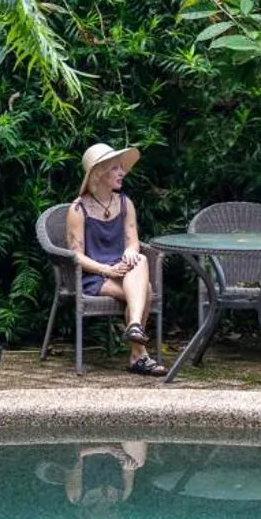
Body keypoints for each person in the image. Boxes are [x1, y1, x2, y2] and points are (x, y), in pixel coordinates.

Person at [67, 141, 165, 376]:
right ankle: (138, 355)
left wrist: (130, 251)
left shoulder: (125, 203)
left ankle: (133, 329)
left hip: (122, 269)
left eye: (121, 168)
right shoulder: (78, 209)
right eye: (115, 168)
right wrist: (106, 270)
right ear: (98, 173)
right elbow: (76, 256)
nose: (122, 173)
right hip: (94, 276)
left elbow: (133, 240)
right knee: (146, 290)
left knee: (139, 259)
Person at [35, 442, 148, 519]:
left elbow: (72, 458)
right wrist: (127, 464)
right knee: (138, 461)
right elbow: (129, 470)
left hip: (88, 443)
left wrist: (106, 449)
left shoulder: (76, 495)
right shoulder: (122, 495)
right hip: (117, 446)